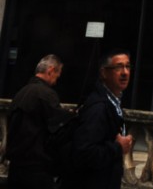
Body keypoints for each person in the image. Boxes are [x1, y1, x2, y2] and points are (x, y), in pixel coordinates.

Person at [65, 51, 133, 189]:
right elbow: (84, 153)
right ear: (103, 73)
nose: (125, 72)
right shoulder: (99, 108)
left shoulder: (113, 102)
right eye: (118, 67)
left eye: (127, 66)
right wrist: (118, 147)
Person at [6, 54, 66, 189]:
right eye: (57, 76)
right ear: (51, 71)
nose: (56, 81)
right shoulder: (46, 94)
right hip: (36, 170)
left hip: (15, 168)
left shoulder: (20, 93)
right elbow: (59, 130)